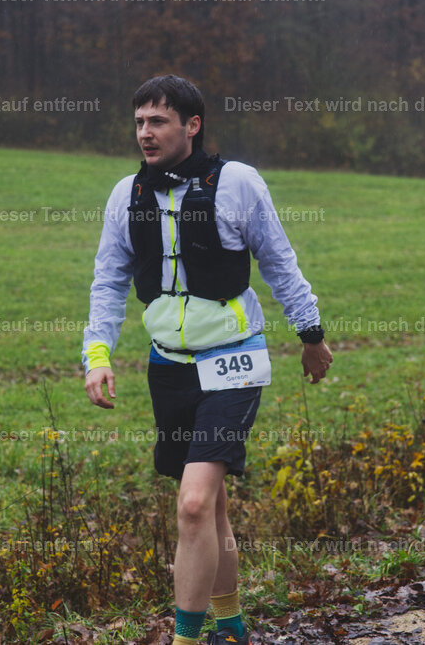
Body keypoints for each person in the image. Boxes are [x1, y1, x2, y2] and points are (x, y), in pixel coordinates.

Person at [82, 74, 332, 645]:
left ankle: (186, 639)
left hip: (233, 361)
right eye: (140, 122)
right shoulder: (128, 194)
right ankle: (232, 625)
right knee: (211, 507)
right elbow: (108, 281)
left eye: (159, 121)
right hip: (168, 365)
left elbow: (279, 262)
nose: (146, 133)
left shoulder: (238, 183)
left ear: (192, 125)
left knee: (192, 503)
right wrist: (97, 355)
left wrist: (310, 333)